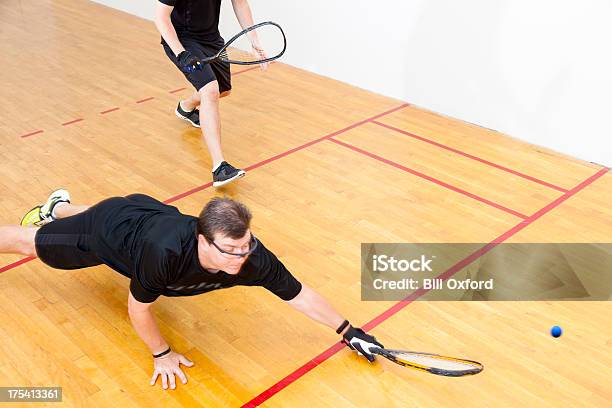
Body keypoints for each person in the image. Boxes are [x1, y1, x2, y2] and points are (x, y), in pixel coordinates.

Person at [1, 190, 384, 390]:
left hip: (144, 210)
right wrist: (161, 353)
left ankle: (60, 206)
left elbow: (299, 294)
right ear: (202, 240)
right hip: (108, 233)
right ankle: (56, 214)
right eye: (229, 251)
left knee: (105, 208)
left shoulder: (251, 254)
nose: (239, 259)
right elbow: (138, 308)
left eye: (245, 246)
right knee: (30, 242)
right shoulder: (163, 254)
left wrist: (348, 332)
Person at [154, 0, 265, 187]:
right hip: (182, 40)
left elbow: (240, 3)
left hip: (211, 40)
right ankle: (219, 167)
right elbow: (161, 17)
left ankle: (187, 107)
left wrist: (254, 40)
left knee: (222, 90)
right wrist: (181, 53)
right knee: (210, 90)